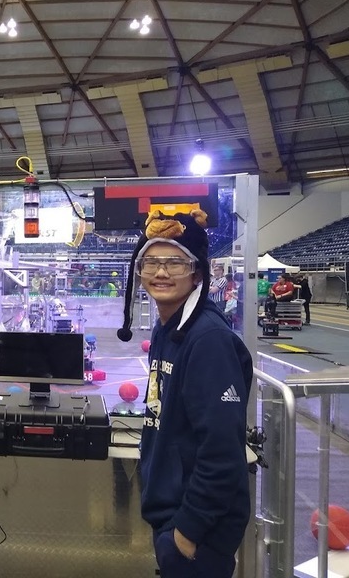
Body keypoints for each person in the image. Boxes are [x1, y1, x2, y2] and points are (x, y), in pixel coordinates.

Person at [117, 209, 253, 578]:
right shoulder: (168, 328)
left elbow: (222, 450)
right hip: (173, 519)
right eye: (152, 262)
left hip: (198, 534)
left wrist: (187, 532)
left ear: (197, 271)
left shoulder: (207, 339)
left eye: (175, 262)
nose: (161, 272)